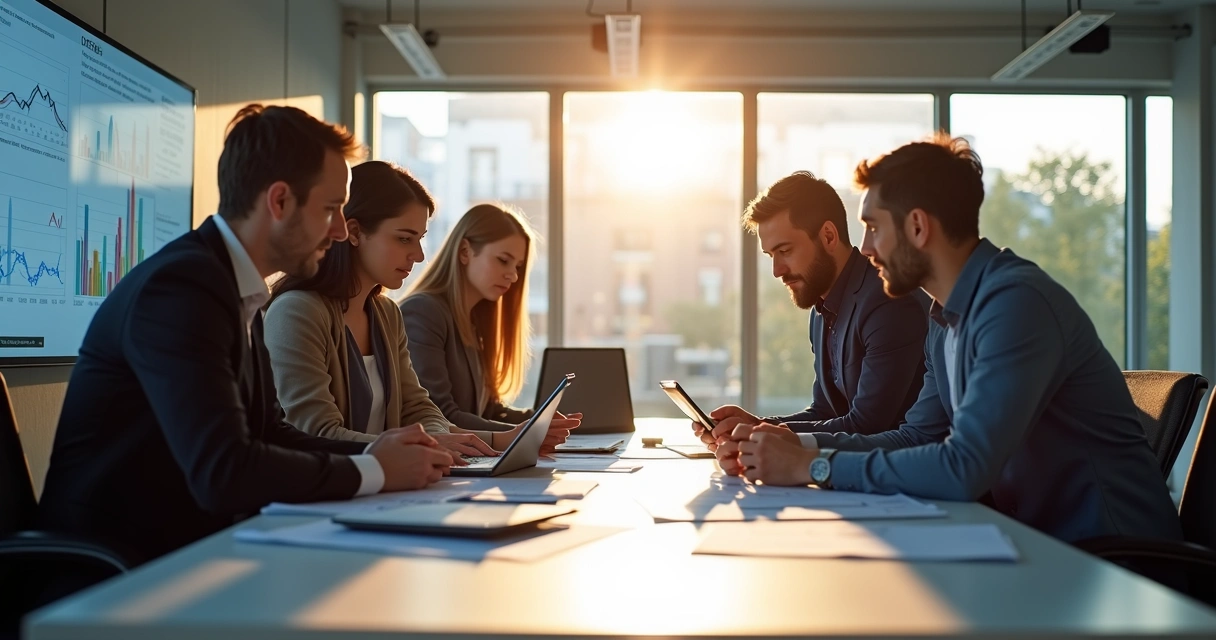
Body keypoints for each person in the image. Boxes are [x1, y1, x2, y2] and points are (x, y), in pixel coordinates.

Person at [37, 105, 456, 567]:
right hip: (111, 570)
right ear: (279, 202)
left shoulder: (237, 287)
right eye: (331, 209)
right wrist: (373, 469)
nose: (340, 230)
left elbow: (270, 433)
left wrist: (379, 452)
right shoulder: (182, 288)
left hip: (185, 552)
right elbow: (224, 470)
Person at [719, 133, 1182, 545]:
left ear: (918, 227)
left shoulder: (1015, 304)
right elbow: (917, 435)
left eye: (874, 227)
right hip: (1038, 546)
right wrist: (792, 446)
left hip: (1115, 564)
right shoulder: (945, 320)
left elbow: (965, 467)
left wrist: (812, 467)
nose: (864, 248)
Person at [263, 161, 501, 459]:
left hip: (382, 486)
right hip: (324, 494)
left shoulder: (386, 313)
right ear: (354, 232)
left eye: (420, 239)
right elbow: (317, 433)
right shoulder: (297, 312)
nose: (418, 255)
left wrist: (438, 440)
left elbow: (418, 407)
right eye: (404, 238)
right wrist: (422, 446)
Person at [693, 171, 928, 449]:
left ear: (828, 236)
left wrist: (761, 435)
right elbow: (825, 413)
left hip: (896, 481)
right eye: (771, 256)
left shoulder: (887, 301)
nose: (777, 271)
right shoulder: (821, 308)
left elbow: (867, 425)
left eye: (785, 251)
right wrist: (756, 427)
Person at [401, 204, 578, 451]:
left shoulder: (474, 320)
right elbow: (440, 415)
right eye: (503, 260)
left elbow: (490, 411)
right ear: (465, 251)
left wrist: (540, 419)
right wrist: (523, 432)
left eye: (517, 266)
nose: (513, 276)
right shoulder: (423, 312)